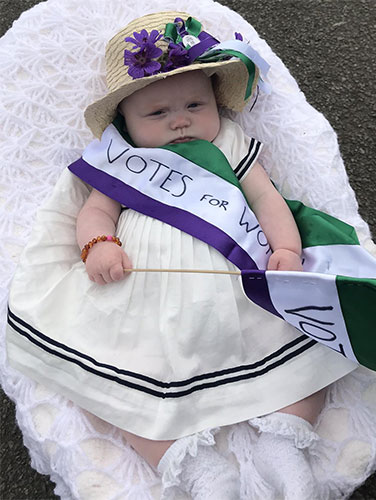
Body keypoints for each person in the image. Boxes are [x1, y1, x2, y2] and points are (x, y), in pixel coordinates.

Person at [6, 11, 357, 499]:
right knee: (120, 384)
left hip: (239, 283)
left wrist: (286, 248)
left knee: (309, 348)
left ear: (216, 102)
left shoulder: (230, 144)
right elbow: (94, 213)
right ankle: (190, 466)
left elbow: (266, 200)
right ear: (125, 122)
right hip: (146, 290)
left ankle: (285, 442)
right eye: (157, 113)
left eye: (195, 103)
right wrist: (97, 245)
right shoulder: (122, 162)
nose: (180, 119)